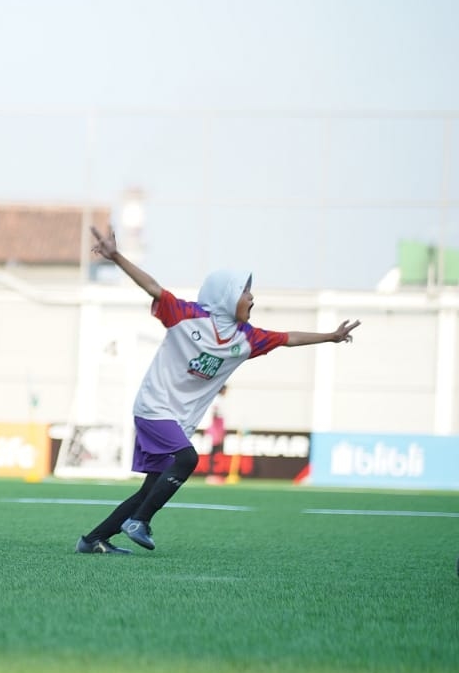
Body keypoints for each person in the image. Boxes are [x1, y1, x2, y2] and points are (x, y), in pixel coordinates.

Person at [77, 225, 359, 553]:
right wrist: (116, 257)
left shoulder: (247, 338)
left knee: (149, 490)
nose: (252, 297)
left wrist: (330, 336)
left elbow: (288, 338)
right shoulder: (186, 316)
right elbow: (154, 288)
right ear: (226, 294)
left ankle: (93, 540)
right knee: (187, 458)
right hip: (154, 407)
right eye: (245, 291)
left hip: (179, 420)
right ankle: (140, 522)